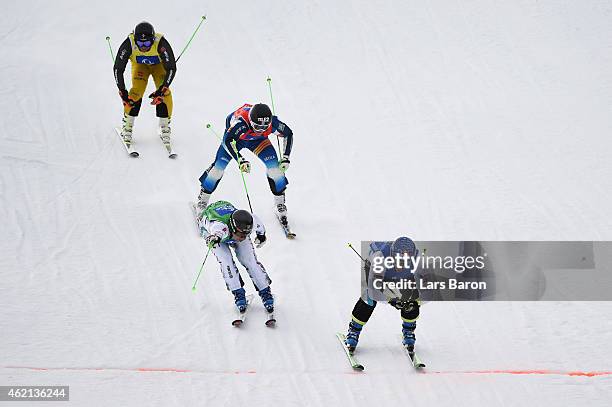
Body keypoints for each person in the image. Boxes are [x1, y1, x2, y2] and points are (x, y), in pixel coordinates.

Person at [196, 103, 294, 228]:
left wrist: (286, 157)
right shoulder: (241, 123)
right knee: (217, 169)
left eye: (265, 127)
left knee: (275, 170)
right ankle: (203, 200)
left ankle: (280, 203)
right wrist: (240, 160)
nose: (261, 130)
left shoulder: (273, 122)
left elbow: (288, 133)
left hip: (259, 141)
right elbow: (227, 140)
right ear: (251, 122)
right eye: (257, 127)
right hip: (235, 141)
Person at [344, 237, 421, 353]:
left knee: (412, 299)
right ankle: (354, 330)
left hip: (402, 275)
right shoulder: (379, 258)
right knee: (369, 298)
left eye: (406, 261)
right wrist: (391, 300)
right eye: (399, 260)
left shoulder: (418, 261)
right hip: (378, 272)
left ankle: (409, 330)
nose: (401, 265)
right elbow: (374, 290)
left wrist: (413, 301)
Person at [201, 200, 274, 313]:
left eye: (246, 234)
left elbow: (260, 228)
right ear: (233, 229)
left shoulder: (252, 221)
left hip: (229, 221)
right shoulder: (219, 227)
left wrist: (261, 236)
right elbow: (217, 232)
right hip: (213, 235)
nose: (243, 237)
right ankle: (238, 294)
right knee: (226, 261)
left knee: (249, 261)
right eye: (240, 235)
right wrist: (214, 238)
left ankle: (265, 291)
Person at [113, 21, 177, 147]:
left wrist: (162, 90)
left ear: (152, 40)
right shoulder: (129, 44)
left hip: (158, 66)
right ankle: (127, 126)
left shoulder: (161, 43)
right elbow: (117, 69)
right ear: (135, 40)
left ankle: (164, 126)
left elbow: (171, 68)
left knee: (164, 94)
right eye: (140, 43)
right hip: (140, 67)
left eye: (147, 43)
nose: (143, 46)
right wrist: (122, 91)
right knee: (135, 92)